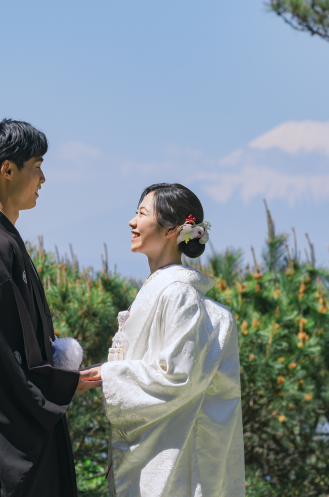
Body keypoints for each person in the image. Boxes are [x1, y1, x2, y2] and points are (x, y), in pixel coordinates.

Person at [0, 119, 101, 497]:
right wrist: (60, 385)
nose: (43, 179)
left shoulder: (0, 240)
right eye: (37, 165)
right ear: (8, 170)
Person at [96, 183, 245, 497]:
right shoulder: (165, 288)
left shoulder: (177, 293)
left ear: (172, 230)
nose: (131, 222)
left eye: (141, 213)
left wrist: (105, 375)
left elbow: (176, 379)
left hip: (172, 466)